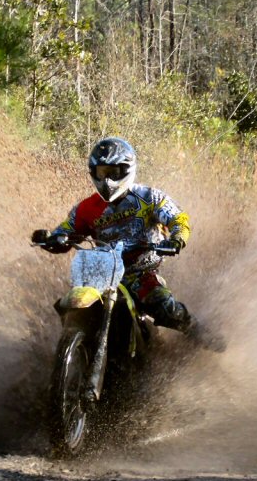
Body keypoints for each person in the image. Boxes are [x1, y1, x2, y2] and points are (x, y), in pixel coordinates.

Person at [33, 137, 223, 351]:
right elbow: (66, 231)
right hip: (102, 274)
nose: (107, 180)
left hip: (141, 273)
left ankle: (197, 331)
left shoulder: (149, 197)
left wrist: (177, 239)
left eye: (113, 172)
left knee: (164, 308)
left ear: (127, 170)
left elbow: (178, 218)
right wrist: (51, 239)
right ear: (93, 173)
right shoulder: (86, 209)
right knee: (69, 305)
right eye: (102, 173)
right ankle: (70, 358)